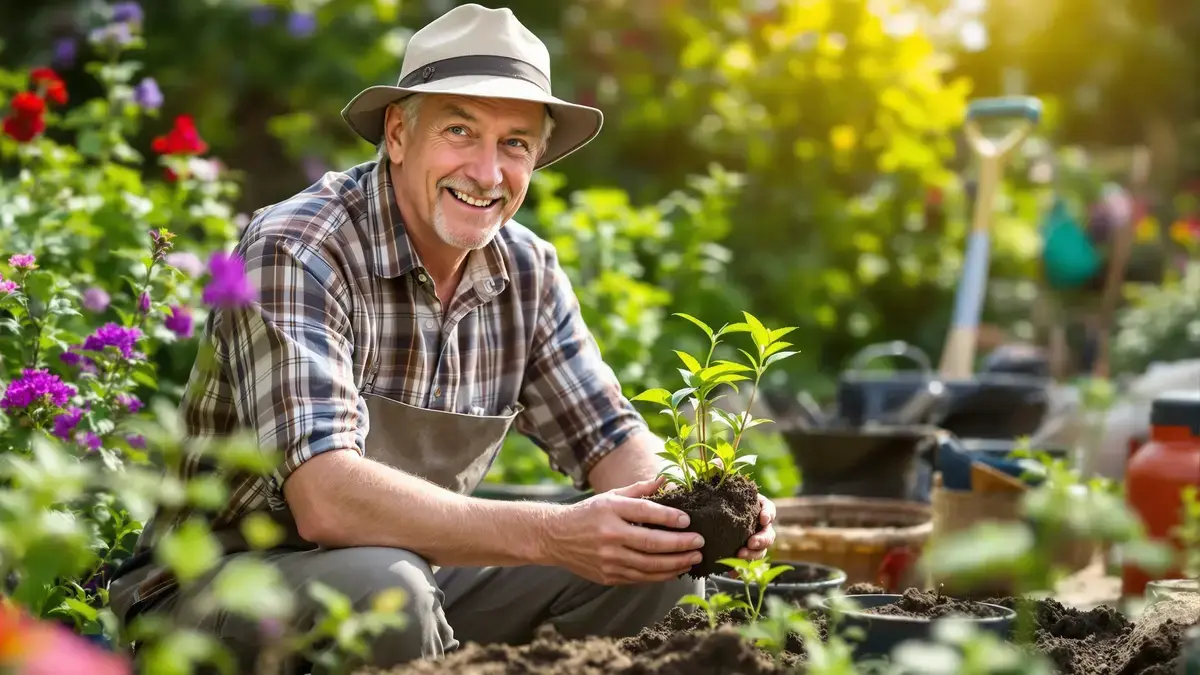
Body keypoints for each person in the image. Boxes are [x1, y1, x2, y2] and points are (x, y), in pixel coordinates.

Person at [108, 4, 777, 672]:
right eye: (461, 131)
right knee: (388, 593)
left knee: (652, 566)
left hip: (408, 571)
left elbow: (608, 436)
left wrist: (694, 505)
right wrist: (551, 533)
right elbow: (325, 498)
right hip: (216, 588)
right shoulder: (302, 248)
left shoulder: (526, 271)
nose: (487, 172)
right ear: (399, 133)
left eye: (515, 144)